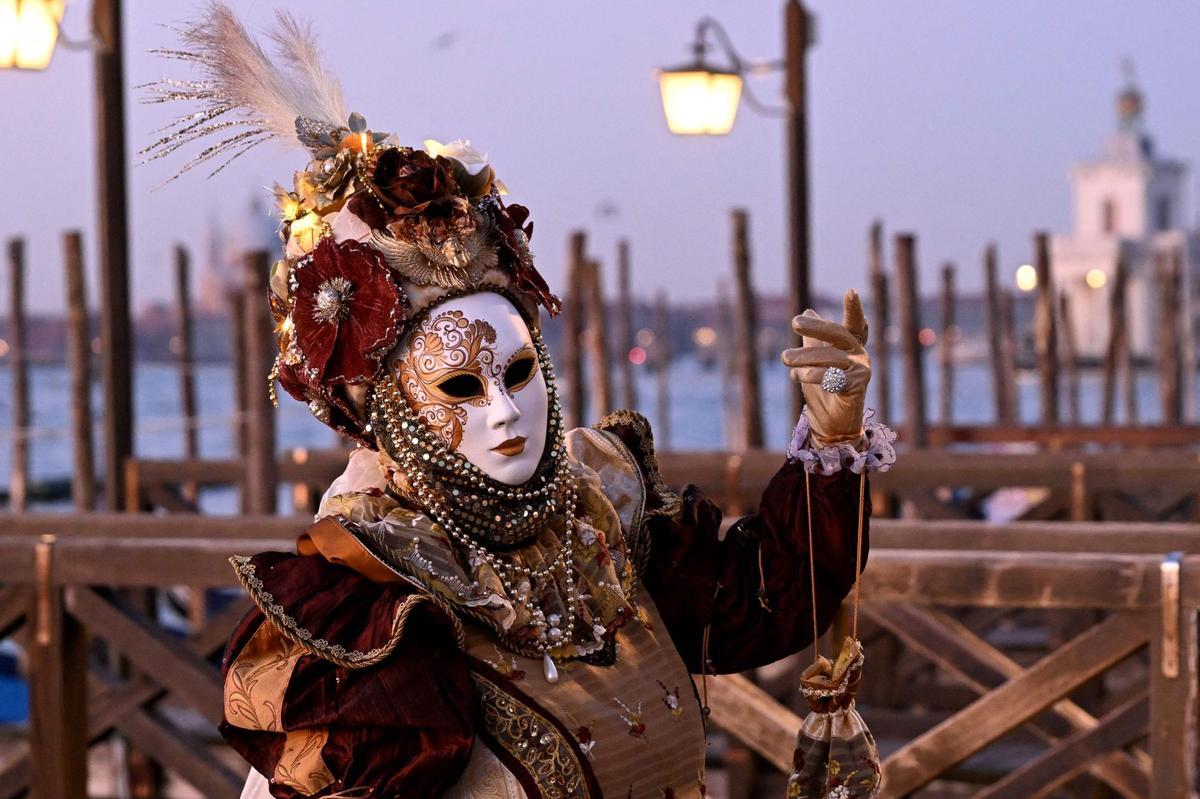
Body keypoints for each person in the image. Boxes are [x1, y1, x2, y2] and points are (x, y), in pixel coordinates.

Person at [144, 7, 895, 797]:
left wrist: (833, 439)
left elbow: (764, 602)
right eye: (460, 388)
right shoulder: (377, 611)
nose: (504, 413)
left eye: (518, 372)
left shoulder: (601, 525)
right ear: (394, 409)